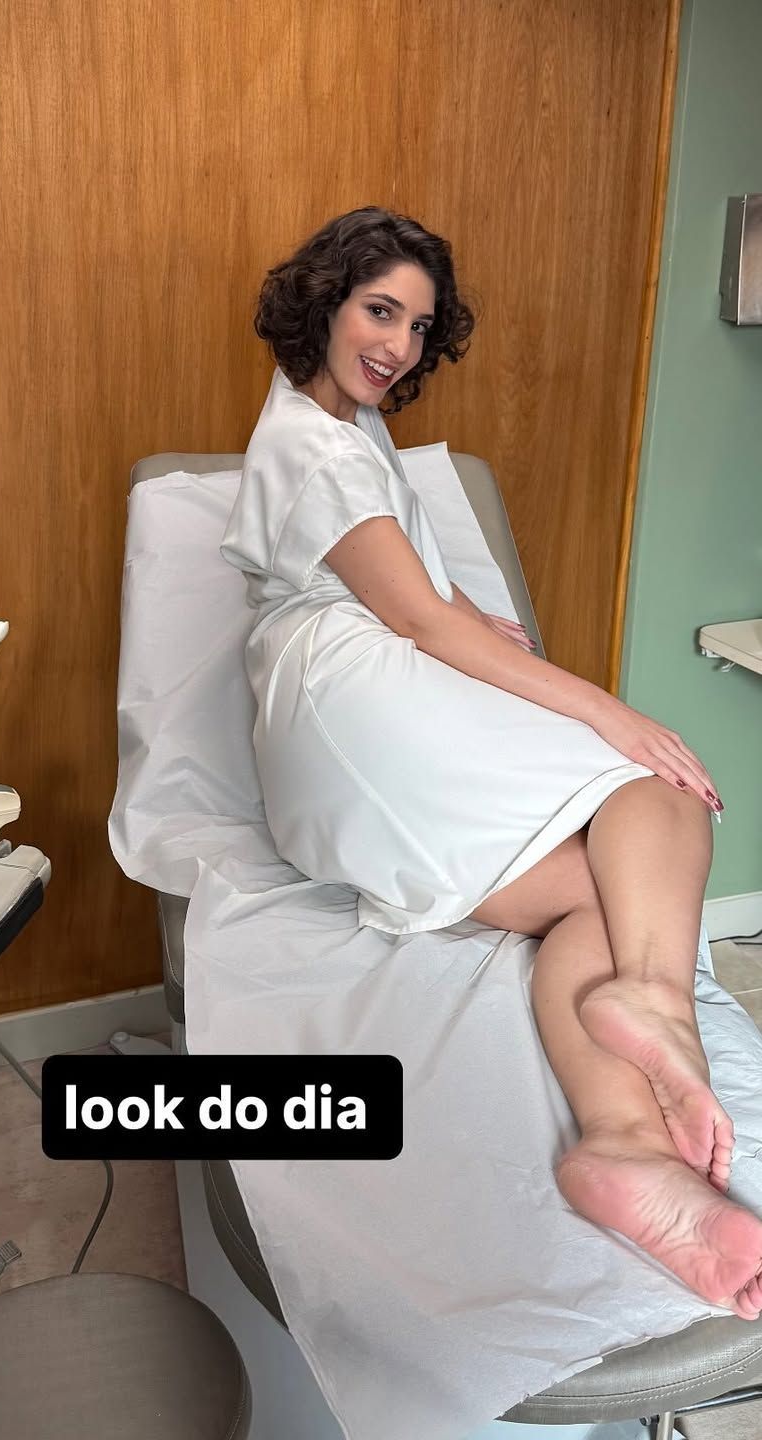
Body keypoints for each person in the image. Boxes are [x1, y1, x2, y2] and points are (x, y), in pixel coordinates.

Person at [219, 205, 762, 1320]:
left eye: (419, 326)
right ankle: (657, 1001)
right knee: (658, 787)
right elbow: (416, 616)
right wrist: (611, 714)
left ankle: (622, 1143)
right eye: (380, 312)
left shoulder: (340, 423)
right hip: (349, 699)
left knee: (598, 895)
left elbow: (410, 577)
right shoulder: (312, 446)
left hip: (343, 724)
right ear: (324, 303)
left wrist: (477, 619)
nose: (398, 345)